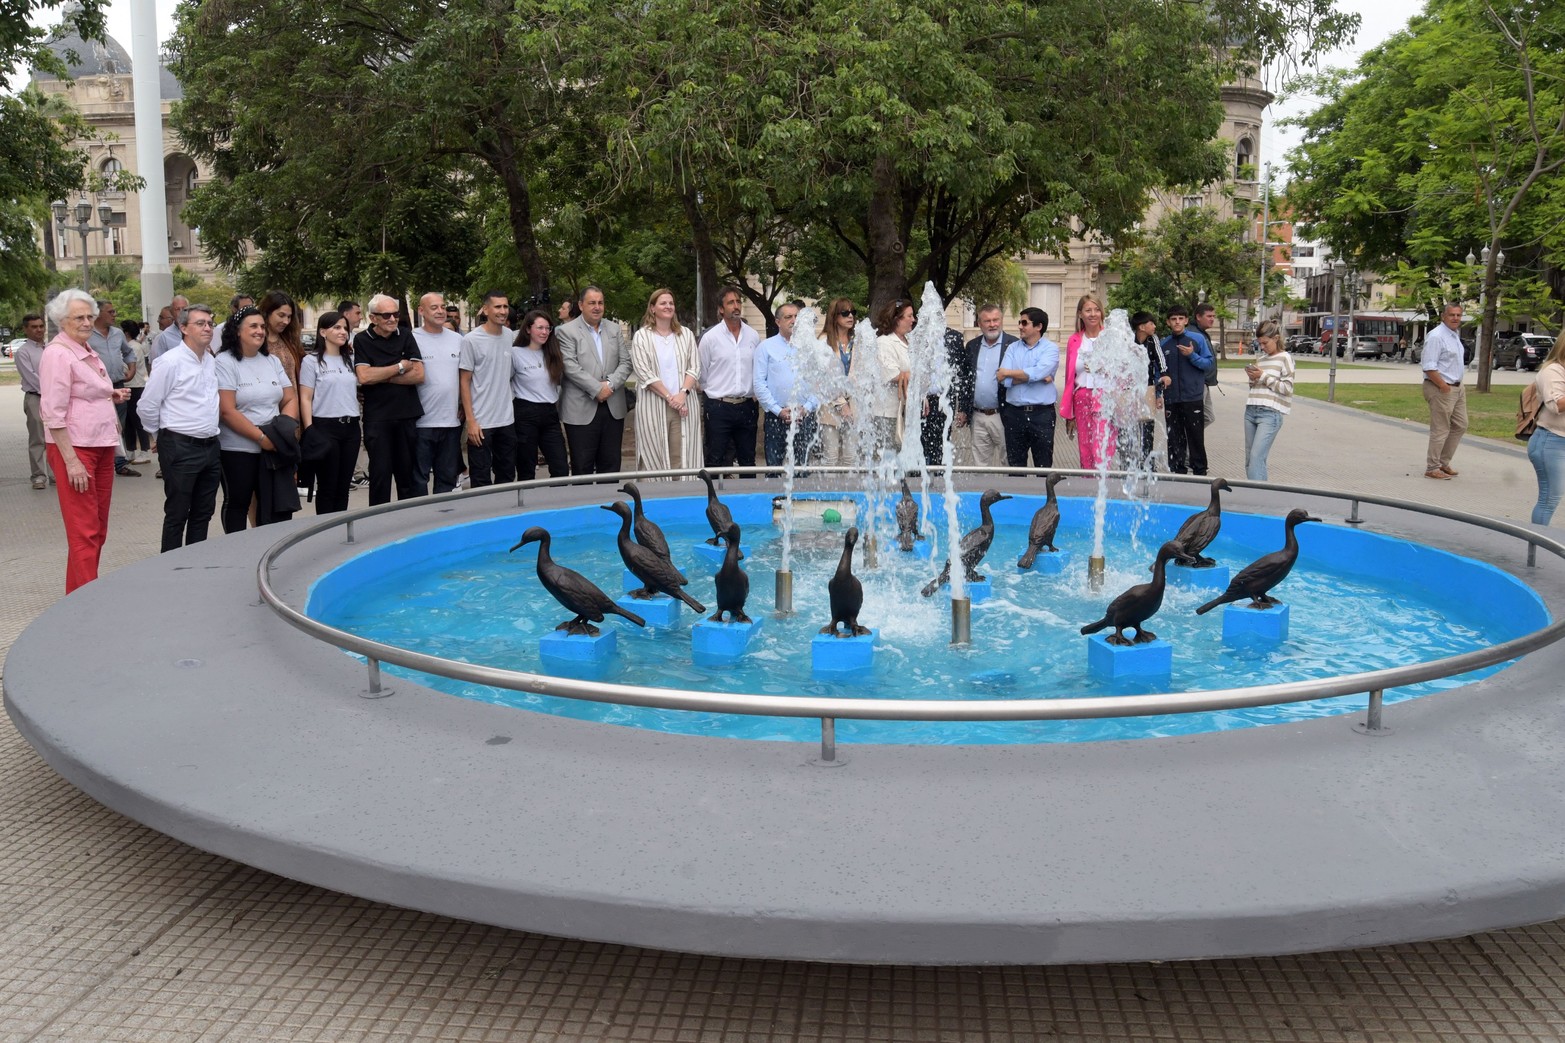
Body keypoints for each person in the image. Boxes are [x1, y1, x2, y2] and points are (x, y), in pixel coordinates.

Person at [38, 290, 130, 592]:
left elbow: (84, 390)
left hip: (101, 445)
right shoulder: (57, 353)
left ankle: (77, 596)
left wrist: (110, 393)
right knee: (84, 532)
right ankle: (86, 601)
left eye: (90, 316)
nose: (87, 322)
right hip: (76, 450)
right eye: (79, 317)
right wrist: (71, 461)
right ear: (62, 320)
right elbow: (52, 412)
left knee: (97, 530)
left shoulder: (84, 350)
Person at [137, 304, 223, 552]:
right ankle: (170, 568)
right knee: (177, 512)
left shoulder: (210, 360)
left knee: (203, 512)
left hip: (210, 446)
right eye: (200, 323)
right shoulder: (170, 362)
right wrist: (160, 436)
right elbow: (147, 406)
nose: (207, 327)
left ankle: (194, 564)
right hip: (180, 446)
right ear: (183, 328)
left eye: (210, 322)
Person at [215, 307, 298, 532]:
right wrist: (262, 438)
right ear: (237, 331)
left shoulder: (271, 361)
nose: (260, 331)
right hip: (238, 449)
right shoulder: (224, 361)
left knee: (273, 506)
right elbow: (227, 410)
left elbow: (289, 398)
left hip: (274, 447)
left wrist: (283, 432)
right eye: (253, 326)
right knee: (238, 503)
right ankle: (236, 553)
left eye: (262, 326)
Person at [354, 293, 426, 504]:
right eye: (386, 315)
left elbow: (419, 375)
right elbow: (365, 377)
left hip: (406, 415)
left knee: (407, 477)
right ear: (373, 317)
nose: (392, 319)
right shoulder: (361, 340)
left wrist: (382, 376)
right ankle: (378, 525)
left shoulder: (405, 335)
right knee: (379, 476)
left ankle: (407, 523)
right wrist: (400, 366)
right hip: (378, 418)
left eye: (395, 314)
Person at [556, 286, 632, 476]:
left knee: (611, 466)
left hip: (613, 408)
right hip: (580, 409)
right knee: (582, 467)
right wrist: (597, 389)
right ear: (581, 305)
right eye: (592, 303)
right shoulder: (566, 331)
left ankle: (610, 505)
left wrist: (610, 385)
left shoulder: (614, 329)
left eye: (600, 303)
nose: (597, 307)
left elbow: (626, 363)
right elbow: (570, 367)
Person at [630, 288, 702, 477]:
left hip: (684, 404)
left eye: (671, 303)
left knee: (681, 457)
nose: (668, 306)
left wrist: (683, 394)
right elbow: (643, 372)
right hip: (653, 405)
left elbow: (694, 367)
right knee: (653, 457)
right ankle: (654, 502)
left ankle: (680, 500)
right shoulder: (642, 336)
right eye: (663, 303)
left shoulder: (685, 334)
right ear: (652, 308)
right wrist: (671, 398)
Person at [298, 311, 361, 514]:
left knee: (344, 487)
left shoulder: (351, 359)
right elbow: (306, 397)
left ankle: (341, 531)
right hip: (325, 427)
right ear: (323, 332)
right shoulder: (312, 361)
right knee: (327, 486)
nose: (342, 332)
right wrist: (309, 429)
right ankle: (326, 532)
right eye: (336, 327)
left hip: (351, 427)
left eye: (344, 328)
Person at [698, 286, 762, 470]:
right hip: (719, 407)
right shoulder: (710, 338)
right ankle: (714, 498)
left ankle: (747, 498)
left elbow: (756, 369)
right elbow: (702, 374)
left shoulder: (753, 336)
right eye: (730, 302)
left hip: (747, 406)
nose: (736, 306)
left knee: (747, 461)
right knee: (715, 459)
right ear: (721, 309)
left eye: (738, 302)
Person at [460, 290, 519, 487]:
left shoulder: (510, 336)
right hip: (481, 422)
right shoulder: (471, 340)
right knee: (481, 480)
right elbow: (464, 381)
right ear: (485, 309)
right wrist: (471, 421)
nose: (503, 311)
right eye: (498, 306)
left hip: (506, 420)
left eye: (505, 306)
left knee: (506, 476)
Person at [753, 301, 818, 467]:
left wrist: (807, 408)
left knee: (802, 471)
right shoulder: (766, 347)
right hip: (776, 417)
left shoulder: (811, 348)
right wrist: (778, 411)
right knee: (774, 470)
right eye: (788, 317)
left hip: (804, 417)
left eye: (796, 316)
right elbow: (759, 384)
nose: (794, 320)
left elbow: (818, 383)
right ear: (778, 322)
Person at [411, 292, 464, 494]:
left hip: (451, 421)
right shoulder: (412, 338)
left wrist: (463, 406)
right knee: (418, 479)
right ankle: (422, 522)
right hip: (421, 423)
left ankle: (442, 520)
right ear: (421, 311)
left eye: (442, 306)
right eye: (434, 307)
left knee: (447, 478)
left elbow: (464, 376)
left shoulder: (457, 339)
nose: (440, 311)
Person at [955, 304, 1018, 469]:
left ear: (1001, 320)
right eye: (987, 321)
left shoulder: (1014, 345)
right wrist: (962, 409)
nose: (992, 324)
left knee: (1009, 462)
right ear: (979, 323)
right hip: (978, 416)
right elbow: (965, 380)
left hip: (1004, 415)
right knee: (980, 466)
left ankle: (1008, 493)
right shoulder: (972, 346)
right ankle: (982, 494)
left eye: (995, 320)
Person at [997, 307, 1060, 468]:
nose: (1020, 326)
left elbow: (1039, 372)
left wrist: (1011, 374)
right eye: (1020, 322)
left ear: (1039, 326)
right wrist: (1034, 377)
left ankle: (1043, 494)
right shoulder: (1012, 348)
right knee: (1015, 466)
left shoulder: (1051, 349)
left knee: (1043, 465)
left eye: (1024, 323)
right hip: (1014, 414)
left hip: (1042, 415)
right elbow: (1002, 379)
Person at [510, 309, 570, 480]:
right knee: (526, 467)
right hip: (525, 413)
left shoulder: (553, 353)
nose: (544, 332)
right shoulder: (516, 353)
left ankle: (554, 502)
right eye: (540, 328)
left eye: (548, 328)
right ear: (528, 329)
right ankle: (527, 505)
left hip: (550, 414)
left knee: (560, 467)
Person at [1161, 304, 1215, 475]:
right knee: (1175, 438)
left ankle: (1200, 472)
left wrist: (1192, 355)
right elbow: (1158, 370)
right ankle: (1177, 471)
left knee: (1196, 437)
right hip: (1172, 399)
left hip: (1193, 397)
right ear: (1168, 322)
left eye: (1180, 319)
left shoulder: (1197, 340)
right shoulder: (1164, 344)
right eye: (1173, 319)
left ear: (1186, 321)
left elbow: (1208, 364)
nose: (1177, 322)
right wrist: (1159, 385)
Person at [87, 299, 138, 477]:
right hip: (96, 389)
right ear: (98, 313)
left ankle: (120, 463)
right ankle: (101, 463)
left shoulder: (117, 334)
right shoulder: (87, 334)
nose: (114, 315)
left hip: (118, 385)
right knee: (99, 425)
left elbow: (128, 352)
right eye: (111, 312)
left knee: (119, 426)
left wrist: (132, 368)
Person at [1420, 303, 1468, 480]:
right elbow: (1429, 366)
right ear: (1443, 316)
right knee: (1440, 429)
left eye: (1458, 315)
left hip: (1457, 387)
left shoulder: (1454, 335)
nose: (1455, 318)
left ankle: (1443, 462)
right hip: (1440, 388)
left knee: (1461, 425)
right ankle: (1432, 467)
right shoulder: (1436, 336)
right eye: (1452, 315)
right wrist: (1443, 385)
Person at [1242, 320, 1295, 481]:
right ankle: (1256, 494)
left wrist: (1263, 376)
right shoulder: (1261, 359)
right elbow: (1257, 387)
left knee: (1257, 457)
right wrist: (1253, 379)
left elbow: (1287, 389)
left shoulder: (1285, 358)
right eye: (1260, 343)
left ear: (1276, 338)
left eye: (1265, 343)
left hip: (1270, 414)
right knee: (1250, 460)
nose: (1262, 347)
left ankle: (1258, 498)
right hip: (1251, 410)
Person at [1526, 331, 1565, 524]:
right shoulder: (1553, 371)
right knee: (1549, 498)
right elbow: (1556, 405)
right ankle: (1535, 548)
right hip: (1551, 441)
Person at [816, 298, 858, 468]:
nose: (850, 317)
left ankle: (851, 494)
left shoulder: (857, 340)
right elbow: (825, 378)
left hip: (854, 402)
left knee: (851, 457)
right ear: (834, 317)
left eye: (853, 312)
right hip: (830, 404)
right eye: (845, 313)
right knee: (831, 456)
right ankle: (830, 494)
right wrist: (841, 405)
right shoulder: (823, 341)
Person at [871, 298, 914, 454]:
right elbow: (893, 375)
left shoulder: (909, 342)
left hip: (904, 412)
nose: (913, 320)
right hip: (887, 413)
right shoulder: (884, 342)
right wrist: (915, 375)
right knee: (888, 459)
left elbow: (908, 375)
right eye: (909, 316)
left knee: (901, 460)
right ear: (897, 319)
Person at [14, 313, 49, 489]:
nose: (39, 330)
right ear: (26, 329)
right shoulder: (23, 352)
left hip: (54, 399)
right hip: (35, 397)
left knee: (56, 436)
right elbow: (32, 377)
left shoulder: (50, 348)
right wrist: (51, 391)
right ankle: (38, 476)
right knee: (38, 438)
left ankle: (56, 473)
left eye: (41, 326)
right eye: (34, 327)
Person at [1131, 311, 1169, 469]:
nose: (1154, 326)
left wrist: (1165, 376)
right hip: (1129, 390)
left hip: (1147, 388)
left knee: (1147, 427)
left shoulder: (1153, 340)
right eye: (1151, 323)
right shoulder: (1128, 340)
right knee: (1130, 427)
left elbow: (1160, 361)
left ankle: (1148, 463)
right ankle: (1131, 463)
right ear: (1141, 327)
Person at [120, 317, 152, 464]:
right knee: (128, 421)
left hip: (136, 386)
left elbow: (128, 367)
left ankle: (145, 450)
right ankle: (131, 450)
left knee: (137, 420)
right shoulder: (128, 346)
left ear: (126, 333)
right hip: (128, 386)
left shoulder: (134, 347)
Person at [259, 290, 304, 388]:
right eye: (281, 315)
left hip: (294, 401)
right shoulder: (256, 343)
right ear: (267, 312)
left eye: (289, 317)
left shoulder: (291, 340)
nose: (286, 321)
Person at [147, 294, 189, 365]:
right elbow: (158, 365)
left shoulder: (197, 331)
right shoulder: (165, 336)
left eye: (184, 309)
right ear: (172, 312)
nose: (182, 312)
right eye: (177, 309)